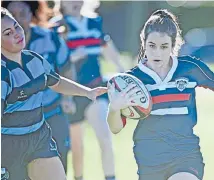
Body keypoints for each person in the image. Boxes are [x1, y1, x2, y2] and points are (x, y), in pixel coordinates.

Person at [107, 9, 214, 180]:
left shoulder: (190, 68)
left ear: (174, 45)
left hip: (186, 156)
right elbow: (115, 128)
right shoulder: (132, 80)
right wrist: (114, 108)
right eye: (152, 46)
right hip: (149, 161)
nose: (157, 53)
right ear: (144, 43)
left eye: (164, 47)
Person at [1, 7, 106, 180]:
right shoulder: (3, 75)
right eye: (7, 33)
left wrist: (87, 92)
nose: (17, 33)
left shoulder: (34, 59)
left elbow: (56, 82)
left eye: (16, 27)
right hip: (10, 147)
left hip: (39, 138)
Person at [50, 1, 124, 180]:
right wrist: (74, 56)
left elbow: (107, 47)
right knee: (77, 148)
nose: (75, 2)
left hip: (96, 90)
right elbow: (54, 61)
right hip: (71, 94)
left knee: (105, 138)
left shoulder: (94, 21)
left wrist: (123, 71)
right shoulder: (56, 26)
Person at [1, 0, 71, 172]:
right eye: (13, 15)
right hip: (15, 130)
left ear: (31, 13)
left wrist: (68, 99)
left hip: (52, 115)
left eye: (21, 16)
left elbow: (67, 70)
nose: (18, 21)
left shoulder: (50, 38)